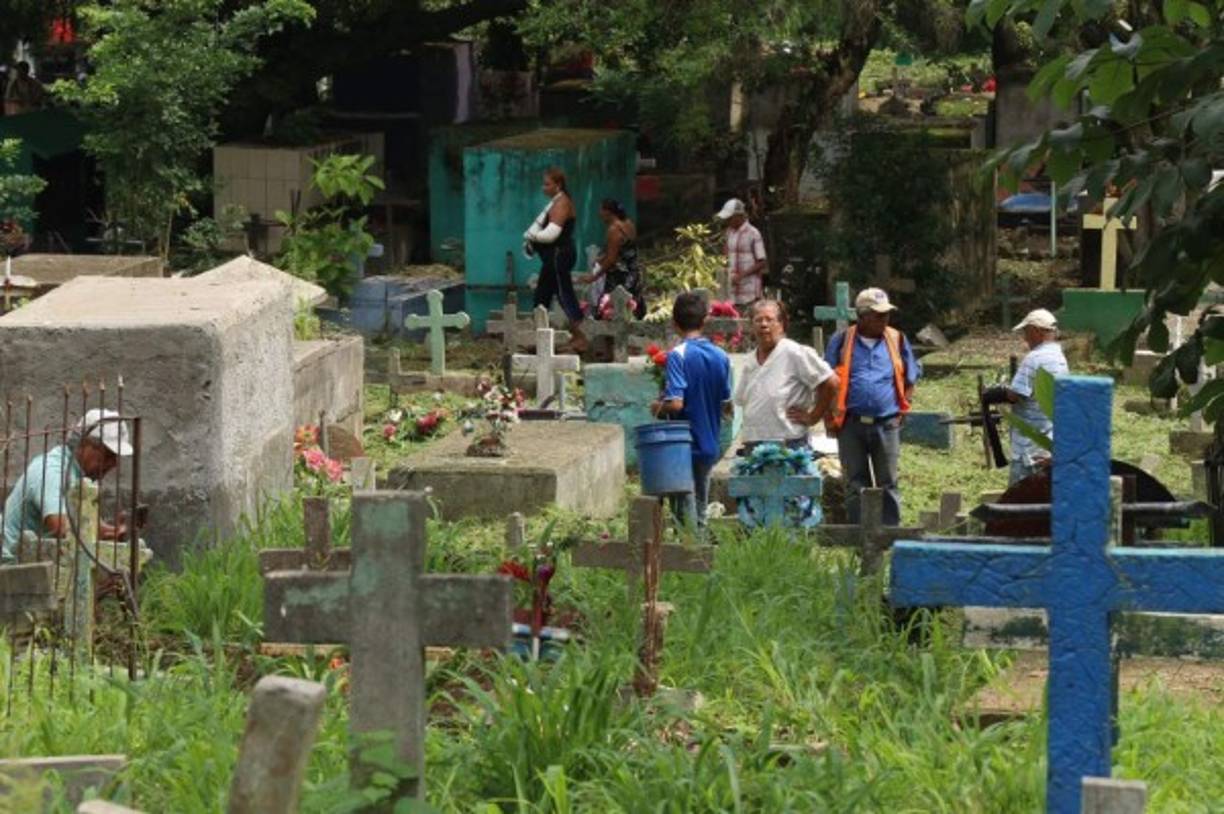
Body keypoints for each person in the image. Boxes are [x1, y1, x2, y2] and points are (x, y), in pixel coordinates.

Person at [824, 288, 921, 526]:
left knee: (888, 481)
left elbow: (911, 376)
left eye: (886, 314)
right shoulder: (841, 340)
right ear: (862, 316)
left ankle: (890, 534)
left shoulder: (896, 339)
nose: (884, 320)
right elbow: (826, 380)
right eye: (878, 315)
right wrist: (829, 417)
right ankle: (860, 535)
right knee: (855, 483)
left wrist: (902, 410)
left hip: (887, 423)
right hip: (850, 424)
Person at [3, 409, 133, 563]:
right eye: (109, 455)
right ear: (84, 444)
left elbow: (88, 525)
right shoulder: (52, 471)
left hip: (41, 562)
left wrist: (116, 531)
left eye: (116, 457)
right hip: (11, 567)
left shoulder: (80, 476)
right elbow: (61, 526)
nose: (114, 464)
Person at [652, 292, 732, 532]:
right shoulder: (721, 355)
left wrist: (658, 406)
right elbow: (726, 405)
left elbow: (676, 403)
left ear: (674, 323)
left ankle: (687, 559)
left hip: (683, 444)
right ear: (705, 320)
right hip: (709, 444)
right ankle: (699, 556)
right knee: (700, 512)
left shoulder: (678, 355)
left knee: (683, 515)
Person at [734, 299, 839, 450]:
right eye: (758, 320)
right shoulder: (750, 360)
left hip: (789, 443)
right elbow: (741, 399)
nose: (764, 325)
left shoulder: (794, 352)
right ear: (751, 327)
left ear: (781, 325)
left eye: (769, 319)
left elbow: (831, 382)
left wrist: (814, 416)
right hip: (754, 443)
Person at [983, 308, 1069, 484]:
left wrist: (993, 394)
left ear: (1036, 330)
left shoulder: (1035, 358)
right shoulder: (1059, 357)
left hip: (1029, 448)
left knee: (1018, 502)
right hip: (1048, 439)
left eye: (1026, 332)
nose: (1025, 338)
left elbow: (1015, 396)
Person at [524, 167, 588, 352]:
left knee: (564, 294)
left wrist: (532, 237)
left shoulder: (562, 203)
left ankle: (580, 337)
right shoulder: (555, 202)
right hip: (552, 257)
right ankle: (540, 339)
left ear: (558, 185)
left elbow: (551, 234)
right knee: (541, 296)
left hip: (559, 255)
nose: (544, 188)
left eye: (547, 184)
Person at [579, 198, 647, 318]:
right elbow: (623, 250)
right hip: (633, 273)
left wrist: (593, 277)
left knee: (610, 309)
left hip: (619, 277)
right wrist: (602, 258)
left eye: (601, 210)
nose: (599, 214)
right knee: (631, 309)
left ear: (608, 212)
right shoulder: (628, 224)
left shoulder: (613, 230)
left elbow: (611, 260)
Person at [715, 198, 767, 311]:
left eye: (730, 218)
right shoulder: (729, 232)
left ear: (739, 216)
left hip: (749, 291)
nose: (728, 221)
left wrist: (741, 276)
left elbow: (762, 262)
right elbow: (725, 254)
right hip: (732, 290)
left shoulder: (753, 233)